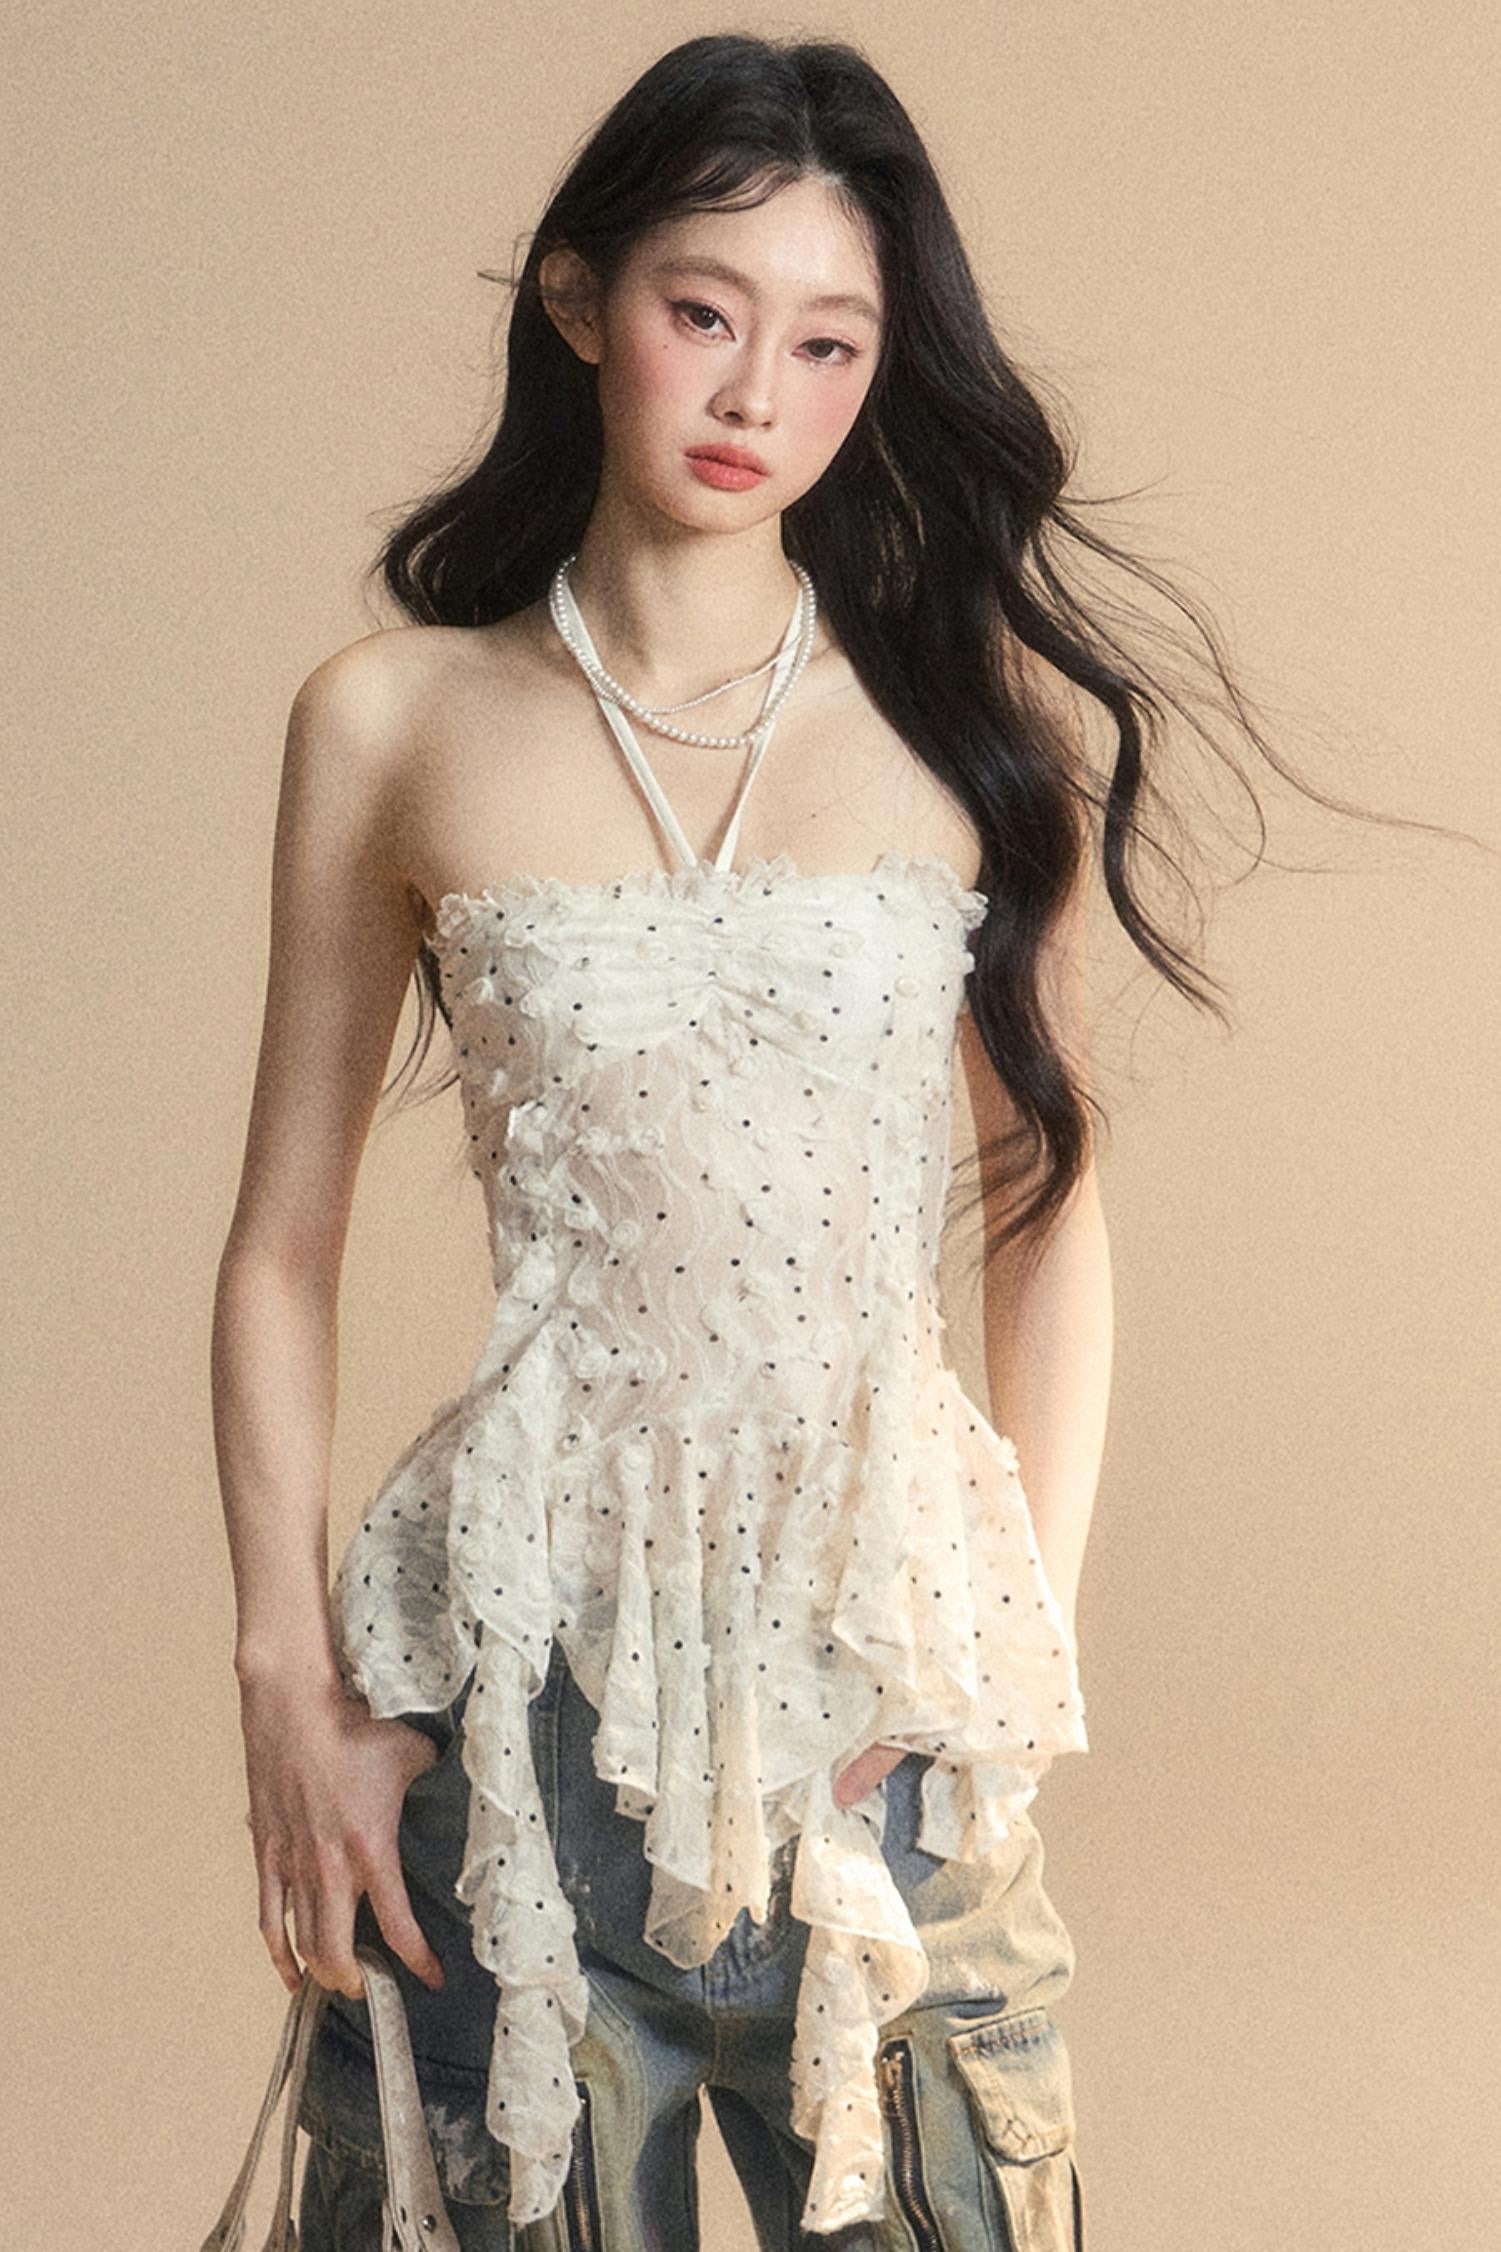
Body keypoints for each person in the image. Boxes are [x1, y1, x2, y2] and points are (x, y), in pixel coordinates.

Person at [213, 31, 1393, 2252]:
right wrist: (289, 1684)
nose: (759, 392)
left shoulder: (964, 725)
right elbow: (283, 1244)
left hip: (883, 1714)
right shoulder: (391, 718)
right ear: (580, 298)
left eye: (830, 342)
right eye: (705, 311)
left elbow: (1045, 1203)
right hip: (517, 1718)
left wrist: (1004, 1672)